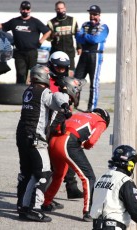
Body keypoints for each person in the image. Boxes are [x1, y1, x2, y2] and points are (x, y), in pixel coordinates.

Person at [16, 64, 72, 222]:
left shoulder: (28, 91)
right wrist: (65, 97)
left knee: (26, 173)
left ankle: (22, 206)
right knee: (44, 174)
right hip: (34, 137)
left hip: (22, 135)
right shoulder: (44, 92)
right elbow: (56, 100)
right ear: (43, 77)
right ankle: (34, 209)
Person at [42, 108, 110, 222]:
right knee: (88, 177)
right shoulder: (101, 121)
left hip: (53, 140)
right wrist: (86, 146)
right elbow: (92, 141)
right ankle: (89, 212)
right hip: (68, 142)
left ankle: (46, 202)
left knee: (58, 174)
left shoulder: (79, 114)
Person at [47, 51, 85, 199]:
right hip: (49, 123)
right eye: (58, 68)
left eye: (63, 68)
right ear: (52, 66)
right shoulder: (47, 82)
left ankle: (72, 187)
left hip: (64, 122)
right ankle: (45, 192)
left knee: (67, 152)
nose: (61, 71)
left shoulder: (68, 81)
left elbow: (73, 103)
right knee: (49, 161)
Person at [0, 1, 51, 84]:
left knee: (32, 74)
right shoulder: (15, 21)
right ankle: (20, 93)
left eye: (27, 9)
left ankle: (32, 92)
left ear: (30, 10)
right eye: (23, 9)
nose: (25, 11)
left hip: (32, 52)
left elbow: (47, 32)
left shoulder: (35, 22)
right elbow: (2, 26)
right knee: (20, 74)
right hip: (19, 52)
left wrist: (41, 41)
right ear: (20, 9)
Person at [90, 145, 137, 230]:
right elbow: (135, 209)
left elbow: (92, 204)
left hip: (96, 226)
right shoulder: (125, 181)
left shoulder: (100, 179)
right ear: (130, 165)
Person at [74, 5, 109, 111]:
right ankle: (74, 104)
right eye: (91, 14)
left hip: (96, 55)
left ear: (99, 15)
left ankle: (91, 108)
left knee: (94, 84)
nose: (92, 16)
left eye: (94, 14)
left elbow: (96, 39)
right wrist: (87, 37)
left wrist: (85, 36)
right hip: (84, 55)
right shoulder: (85, 25)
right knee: (76, 81)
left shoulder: (103, 27)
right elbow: (78, 37)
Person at [47, 1, 82, 77]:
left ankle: (68, 88)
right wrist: (52, 36)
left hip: (69, 52)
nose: (60, 10)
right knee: (55, 74)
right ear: (55, 9)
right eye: (58, 9)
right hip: (56, 53)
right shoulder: (51, 22)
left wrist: (79, 47)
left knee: (70, 74)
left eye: (62, 8)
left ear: (65, 8)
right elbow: (48, 38)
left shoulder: (72, 20)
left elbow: (77, 35)